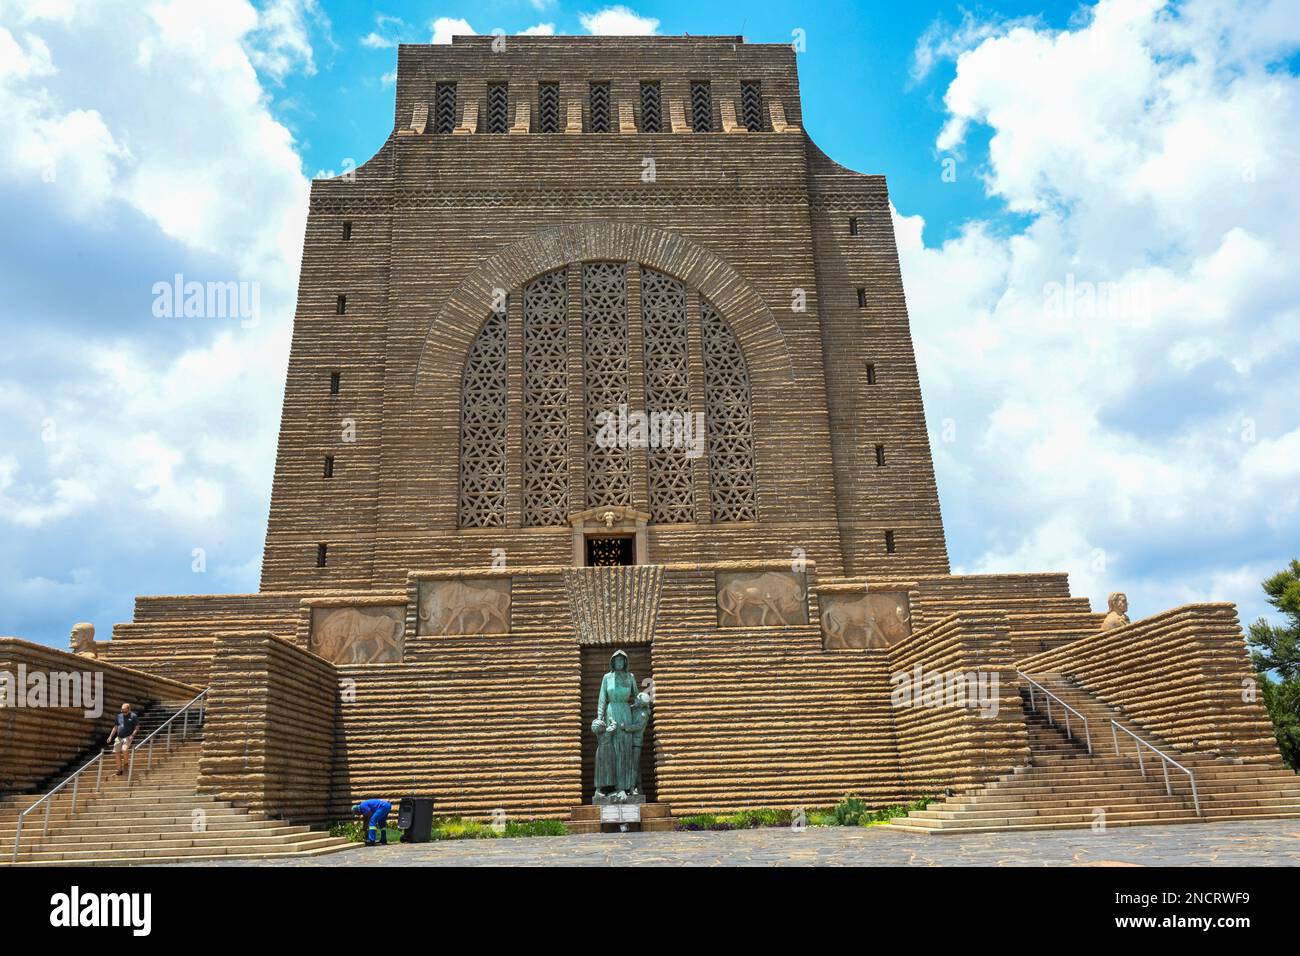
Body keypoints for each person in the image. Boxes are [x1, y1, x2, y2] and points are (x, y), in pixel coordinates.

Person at [106, 703, 140, 776]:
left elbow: (137, 728)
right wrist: (110, 736)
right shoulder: (119, 716)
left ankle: (126, 763)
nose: (123, 712)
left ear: (129, 709)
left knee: (124, 749)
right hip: (119, 737)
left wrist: (132, 735)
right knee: (116, 752)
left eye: (125, 711)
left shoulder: (133, 716)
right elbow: (115, 727)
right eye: (122, 710)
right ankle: (119, 770)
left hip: (128, 736)